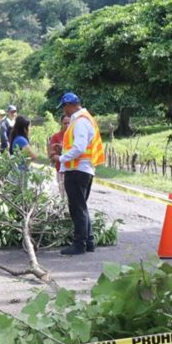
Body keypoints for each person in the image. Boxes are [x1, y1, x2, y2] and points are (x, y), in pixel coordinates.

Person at [56, 92, 106, 256]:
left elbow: (79, 147)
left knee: (77, 208)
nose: (64, 111)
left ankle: (79, 244)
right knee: (81, 207)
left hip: (78, 169)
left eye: (64, 107)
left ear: (69, 105)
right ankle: (88, 241)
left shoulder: (80, 121)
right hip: (83, 169)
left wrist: (62, 157)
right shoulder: (85, 118)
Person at [47, 114, 70, 198]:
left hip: (73, 170)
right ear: (61, 123)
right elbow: (51, 154)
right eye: (65, 123)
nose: (67, 125)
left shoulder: (75, 136)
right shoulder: (56, 137)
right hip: (60, 169)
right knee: (63, 194)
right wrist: (59, 155)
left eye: (69, 123)